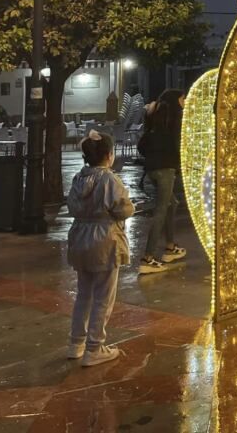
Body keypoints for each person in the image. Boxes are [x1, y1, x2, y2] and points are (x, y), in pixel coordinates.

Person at [66, 130, 134, 366]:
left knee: (83, 293)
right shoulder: (109, 179)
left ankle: (76, 342)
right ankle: (94, 347)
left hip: (80, 238)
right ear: (108, 155)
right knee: (103, 296)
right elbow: (123, 208)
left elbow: (71, 206)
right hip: (105, 240)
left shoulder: (78, 178)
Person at [136, 88, 188, 274]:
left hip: (152, 170)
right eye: (183, 99)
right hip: (165, 170)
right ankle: (148, 258)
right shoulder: (175, 120)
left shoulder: (155, 119)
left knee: (172, 203)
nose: (185, 102)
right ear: (176, 101)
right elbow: (178, 144)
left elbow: (142, 145)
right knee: (161, 210)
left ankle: (170, 246)